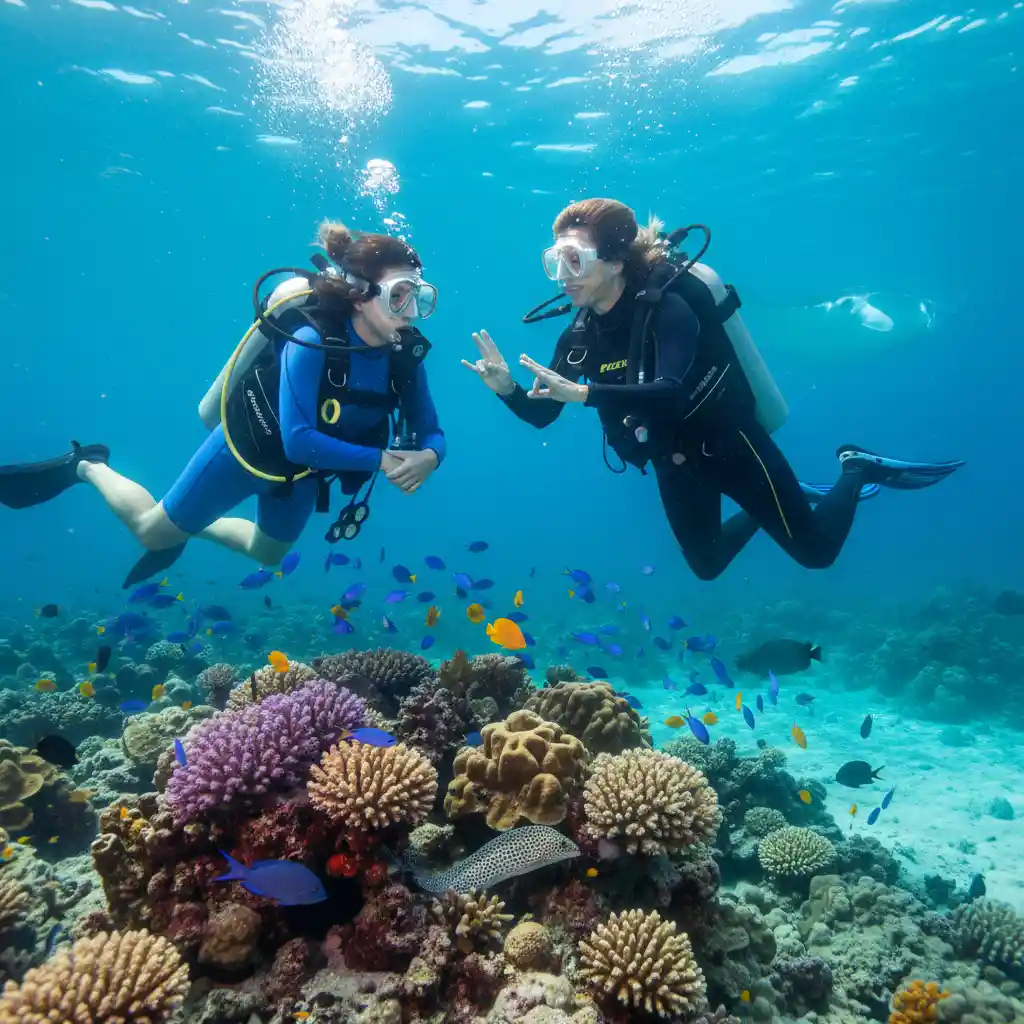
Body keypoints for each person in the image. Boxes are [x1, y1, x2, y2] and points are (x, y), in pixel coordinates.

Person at [463, 198, 962, 580]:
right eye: (554, 261)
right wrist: (507, 389)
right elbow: (543, 414)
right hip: (669, 458)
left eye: (574, 261)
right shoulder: (577, 336)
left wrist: (589, 395)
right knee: (706, 564)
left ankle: (854, 467)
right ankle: (764, 507)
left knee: (816, 553)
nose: (561, 277)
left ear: (614, 262)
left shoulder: (668, 309)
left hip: (729, 442)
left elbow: (672, 393)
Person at [0, 221, 446, 586]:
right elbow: (298, 441)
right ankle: (88, 464)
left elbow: (432, 431)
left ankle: (192, 525)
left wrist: (429, 457)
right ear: (360, 293)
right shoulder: (310, 339)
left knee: (267, 554)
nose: (410, 312)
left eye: (420, 299)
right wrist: (384, 460)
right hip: (245, 450)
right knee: (151, 534)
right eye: (399, 296)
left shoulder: (403, 360)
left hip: (303, 476)